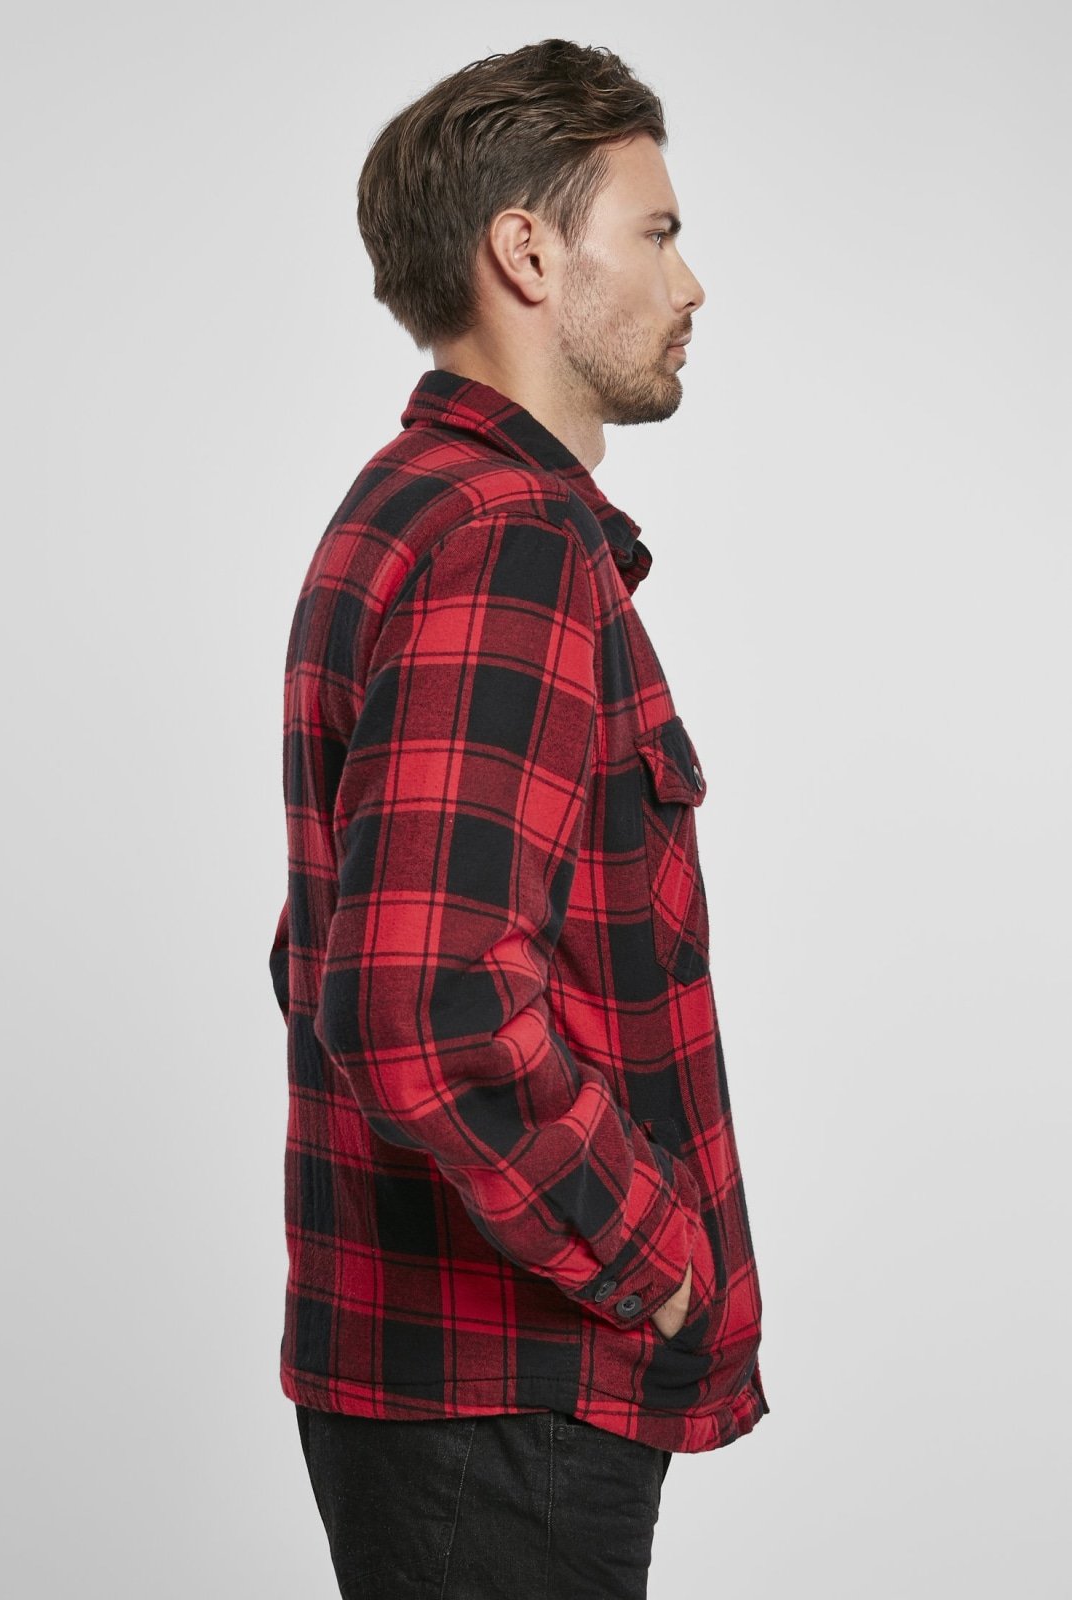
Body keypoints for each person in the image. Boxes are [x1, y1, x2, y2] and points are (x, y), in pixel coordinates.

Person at [269, 37, 768, 1599]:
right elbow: (420, 1000)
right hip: (507, 1404)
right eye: (661, 232)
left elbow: (325, 955)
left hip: (452, 1400)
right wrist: (656, 1263)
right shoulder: (506, 541)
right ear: (528, 251)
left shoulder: (410, 505)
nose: (694, 284)